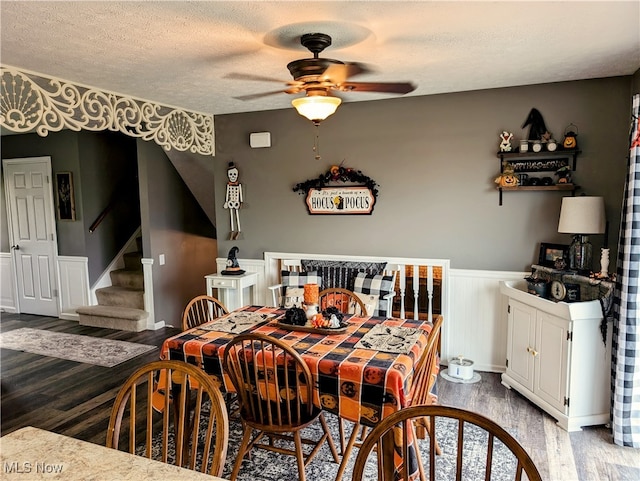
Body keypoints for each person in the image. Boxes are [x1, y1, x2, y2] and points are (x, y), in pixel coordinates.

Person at [223, 162, 243, 240]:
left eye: (234, 174)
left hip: (236, 202)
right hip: (231, 202)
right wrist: (226, 202)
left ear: (237, 175)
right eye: (231, 175)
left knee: (237, 215)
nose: (233, 177)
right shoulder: (228, 185)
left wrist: (241, 202)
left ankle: (238, 230)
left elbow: (240, 194)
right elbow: (227, 194)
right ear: (228, 175)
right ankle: (232, 231)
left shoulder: (239, 185)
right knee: (231, 216)